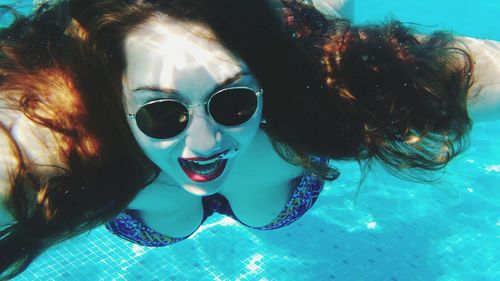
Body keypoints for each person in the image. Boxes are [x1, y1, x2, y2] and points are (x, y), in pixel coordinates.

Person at [0, 0, 498, 279]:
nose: (205, 144)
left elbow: (472, 74)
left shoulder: (317, 89)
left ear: (263, 82)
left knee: (322, 23)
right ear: (118, 97)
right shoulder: (62, 137)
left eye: (233, 102)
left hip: (287, 38)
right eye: (162, 113)